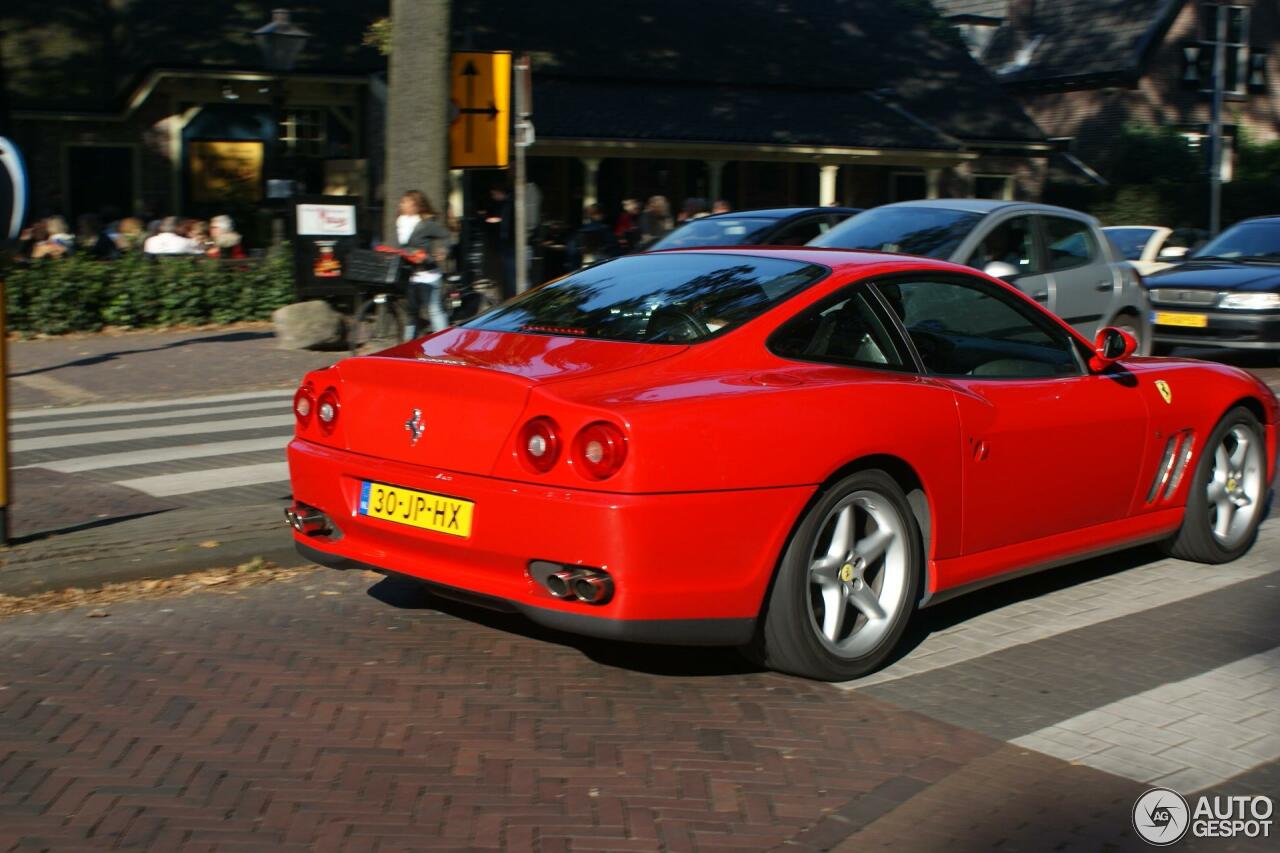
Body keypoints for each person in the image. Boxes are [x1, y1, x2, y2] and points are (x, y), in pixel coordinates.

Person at [393, 190, 451, 338]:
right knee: (412, 312)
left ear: (416, 206)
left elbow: (445, 235)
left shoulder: (426, 224)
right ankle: (407, 346)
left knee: (434, 310)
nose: (401, 204)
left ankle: (444, 344)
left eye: (405, 202)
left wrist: (443, 250)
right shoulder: (401, 222)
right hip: (412, 275)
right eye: (402, 201)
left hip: (428, 274)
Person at [568, 204, 619, 269]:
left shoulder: (581, 230)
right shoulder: (603, 228)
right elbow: (613, 247)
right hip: (604, 260)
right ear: (600, 214)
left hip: (585, 262)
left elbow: (573, 251)